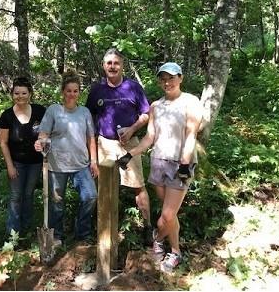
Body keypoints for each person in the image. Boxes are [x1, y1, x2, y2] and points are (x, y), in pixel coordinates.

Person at [117, 62, 202, 273]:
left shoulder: (191, 102)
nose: (167, 82)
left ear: (180, 78)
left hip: (180, 164)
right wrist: (130, 154)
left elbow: (191, 136)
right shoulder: (156, 106)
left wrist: (184, 164)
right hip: (158, 163)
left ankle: (158, 238)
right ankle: (175, 249)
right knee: (170, 215)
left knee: (166, 216)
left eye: (171, 78)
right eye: (163, 78)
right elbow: (149, 138)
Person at [84, 49, 153, 240]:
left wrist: (132, 129)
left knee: (138, 186)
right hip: (104, 144)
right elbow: (88, 115)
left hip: (130, 145)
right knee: (102, 186)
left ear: (122, 65)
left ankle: (147, 227)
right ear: (103, 66)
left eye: (116, 63)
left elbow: (146, 114)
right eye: (109, 63)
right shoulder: (97, 89)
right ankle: (101, 227)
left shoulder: (133, 87)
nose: (112, 67)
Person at [35, 72, 99, 245]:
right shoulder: (54, 110)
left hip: (81, 165)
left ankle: (82, 233)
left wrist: (93, 161)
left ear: (79, 93)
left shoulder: (84, 112)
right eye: (68, 90)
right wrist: (40, 143)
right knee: (56, 203)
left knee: (90, 196)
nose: (72, 94)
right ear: (63, 92)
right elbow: (43, 134)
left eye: (75, 91)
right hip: (57, 165)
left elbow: (90, 138)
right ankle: (57, 236)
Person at [0, 77, 46, 241]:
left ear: (30, 94)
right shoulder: (6, 116)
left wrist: (43, 142)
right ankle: (12, 233)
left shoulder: (40, 111)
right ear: (12, 95)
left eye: (24, 93)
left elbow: (47, 132)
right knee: (15, 196)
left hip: (35, 163)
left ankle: (26, 228)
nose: (20, 96)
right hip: (16, 163)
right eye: (17, 93)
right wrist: (10, 166)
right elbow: (3, 143)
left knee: (28, 194)